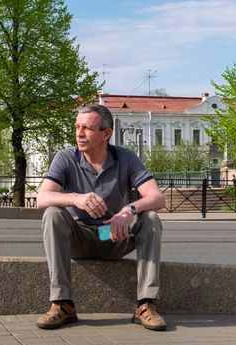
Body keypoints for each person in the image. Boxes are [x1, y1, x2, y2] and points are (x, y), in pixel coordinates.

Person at [36, 104, 167, 331]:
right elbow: (42, 198)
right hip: (80, 238)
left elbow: (157, 197)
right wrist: (76, 198)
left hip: (114, 235)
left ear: (106, 133)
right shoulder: (66, 157)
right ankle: (62, 304)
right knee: (53, 214)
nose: (79, 133)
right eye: (77, 127)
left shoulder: (126, 158)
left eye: (87, 128)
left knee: (151, 218)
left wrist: (129, 210)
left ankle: (146, 305)